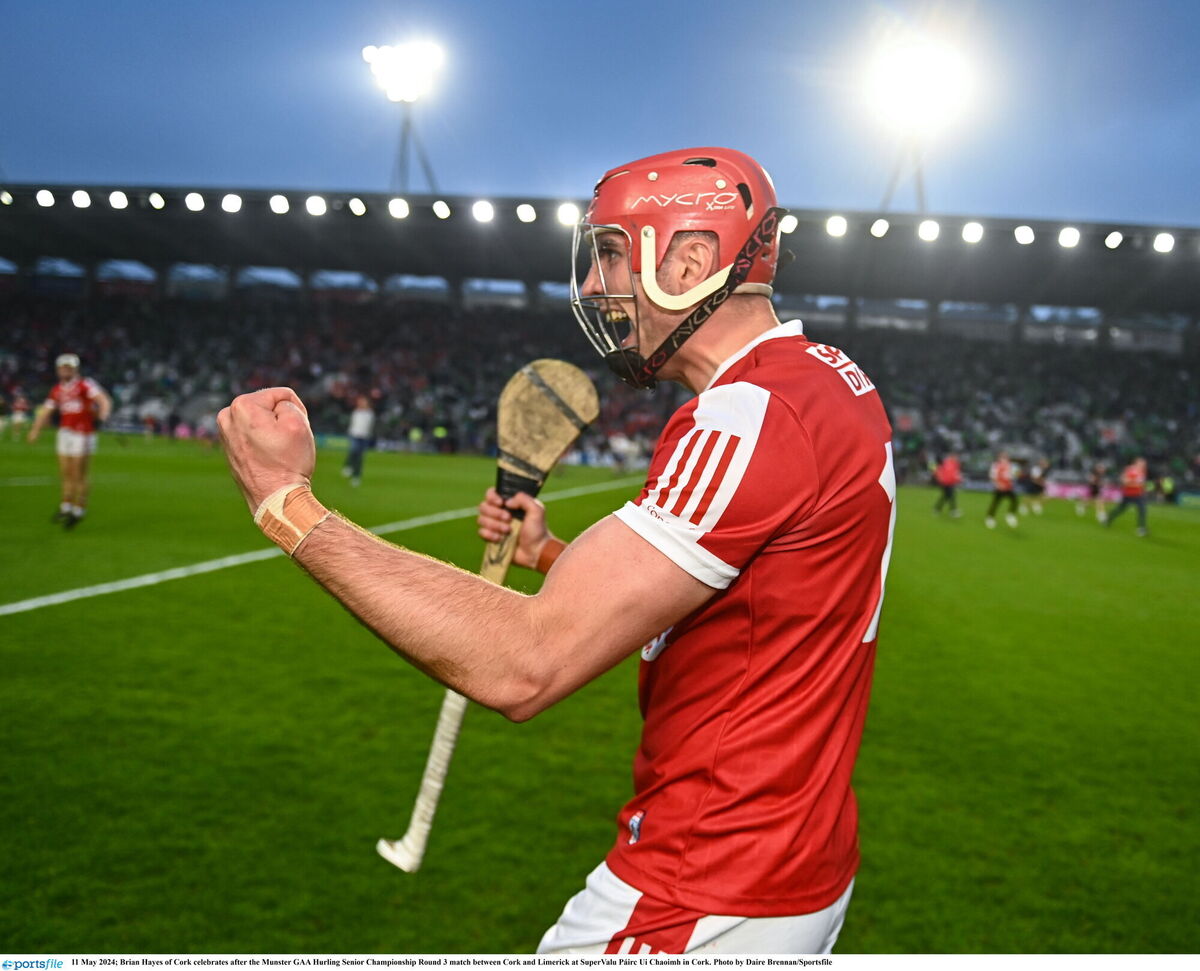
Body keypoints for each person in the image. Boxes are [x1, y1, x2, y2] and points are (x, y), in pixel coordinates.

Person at [218, 147, 895, 954]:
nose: (590, 285)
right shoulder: (826, 379)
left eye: (611, 253)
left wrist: (288, 504)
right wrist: (548, 555)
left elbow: (525, 664)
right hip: (789, 863)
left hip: (707, 884)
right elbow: (749, 602)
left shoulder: (751, 414)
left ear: (691, 260)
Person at [27, 353, 113, 529]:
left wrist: (103, 416)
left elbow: (104, 400)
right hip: (65, 432)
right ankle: (66, 506)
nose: (65, 370)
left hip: (83, 433)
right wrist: (35, 430)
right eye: (62, 367)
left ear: (75, 369)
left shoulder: (85, 384)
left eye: (69, 367)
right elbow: (46, 410)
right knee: (65, 472)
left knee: (79, 473)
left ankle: (79, 509)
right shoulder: (57, 389)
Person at [1106, 456, 1149, 536]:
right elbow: (1124, 481)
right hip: (1128, 494)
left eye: (1144, 463)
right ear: (1136, 462)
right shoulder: (1130, 469)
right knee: (1121, 509)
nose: (1144, 464)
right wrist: (1135, 483)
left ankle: (1141, 528)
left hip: (1138, 494)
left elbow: (1141, 483)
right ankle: (1108, 518)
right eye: (1142, 463)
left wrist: (1142, 488)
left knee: (1142, 510)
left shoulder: (1142, 471)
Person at [341, 394, 375, 486]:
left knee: (360, 457)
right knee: (353, 451)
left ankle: (356, 476)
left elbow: (369, 426)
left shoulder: (370, 414)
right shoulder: (356, 412)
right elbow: (353, 424)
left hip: (364, 437)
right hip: (355, 435)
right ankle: (348, 466)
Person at [985, 450, 1019, 529]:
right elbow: (992, 477)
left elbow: (1014, 475)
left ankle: (1010, 515)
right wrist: (998, 485)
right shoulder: (996, 465)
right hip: (999, 488)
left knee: (1015, 501)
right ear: (999, 458)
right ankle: (990, 518)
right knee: (996, 503)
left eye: (1006, 457)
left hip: (1008, 488)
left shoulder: (1010, 465)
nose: (1005, 458)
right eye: (1003, 457)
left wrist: (1016, 474)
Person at [932, 451, 962, 517]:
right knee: (951, 496)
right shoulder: (945, 462)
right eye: (955, 457)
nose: (956, 458)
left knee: (945, 497)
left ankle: (937, 509)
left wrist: (958, 480)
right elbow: (938, 470)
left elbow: (956, 473)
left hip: (951, 482)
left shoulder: (956, 464)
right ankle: (953, 511)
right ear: (951, 457)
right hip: (945, 482)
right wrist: (940, 478)